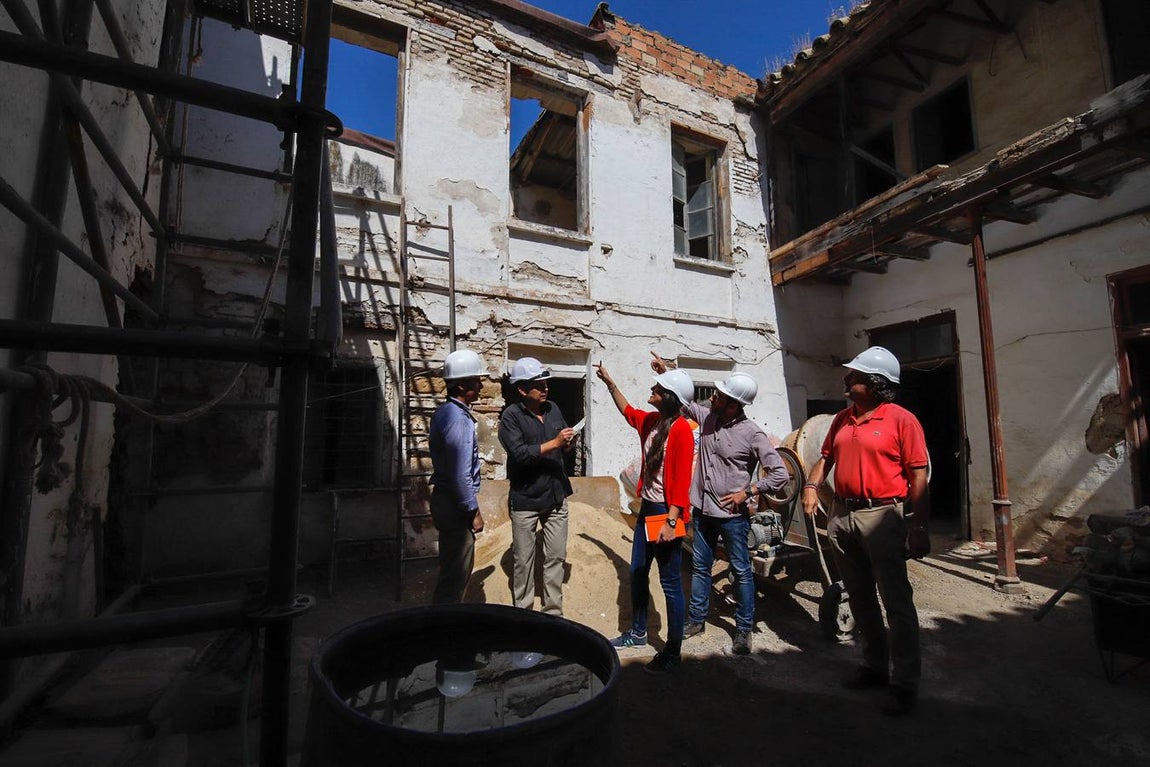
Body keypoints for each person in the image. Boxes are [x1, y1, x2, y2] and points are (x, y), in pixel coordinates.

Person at [800, 345, 930, 716]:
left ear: (875, 384)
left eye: (854, 376)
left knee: (896, 603)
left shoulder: (902, 421)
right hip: (842, 514)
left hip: (883, 516)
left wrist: (918, 525)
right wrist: (811, 487)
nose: (846, 379)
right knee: (858, 597)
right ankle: (875, 667)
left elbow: (918, 475)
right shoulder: (842, 419)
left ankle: (904, 684)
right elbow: (825, 458)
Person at [651, 355, 789, 656]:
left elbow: (780, 473)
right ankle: (697, 620)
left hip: (732, 517)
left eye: (719, 395)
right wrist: (668, 372)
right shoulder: (709, 418)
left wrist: (749, 490)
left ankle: (743, 630)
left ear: (734, 404)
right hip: (702, 511)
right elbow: (685, 403)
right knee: (701, 567)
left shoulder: (752, 434)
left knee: (740, 571)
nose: (712, 397)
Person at [595, 361, 695, 675]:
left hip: (667, 512)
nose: (652, 391)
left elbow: (681, 481)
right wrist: (610, 382)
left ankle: (673, 651)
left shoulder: (681, 431)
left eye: (658, 389)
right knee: (638, 570)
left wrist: (671, 521)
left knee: (670, 583)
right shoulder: (652, 422)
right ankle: (637, 633)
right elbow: (628, 412)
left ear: (670, 397)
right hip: (648, 510)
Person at [499, 357, 576, 616]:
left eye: (545, 382)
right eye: (538, 384)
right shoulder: (510, 417)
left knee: (555, 557)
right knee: (524, 560)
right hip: (526, 499)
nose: (545, 388)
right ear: (522, 389)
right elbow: (520, 454)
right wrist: (555, 443)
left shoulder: (553, 408)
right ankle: (524, 614)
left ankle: (553, 613)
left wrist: (567, 443)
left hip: (555, 495)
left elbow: (563, 445)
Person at [428, 348, 486, 604]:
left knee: (450, 569)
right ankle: (445, 633)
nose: (482, 385)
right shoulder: (458, 420)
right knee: (455, 578)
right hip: (454, 504)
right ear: (462, 386)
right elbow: (460, 473)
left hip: (445, 498)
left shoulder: (444, 412)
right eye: (476, 381)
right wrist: (472, 511)